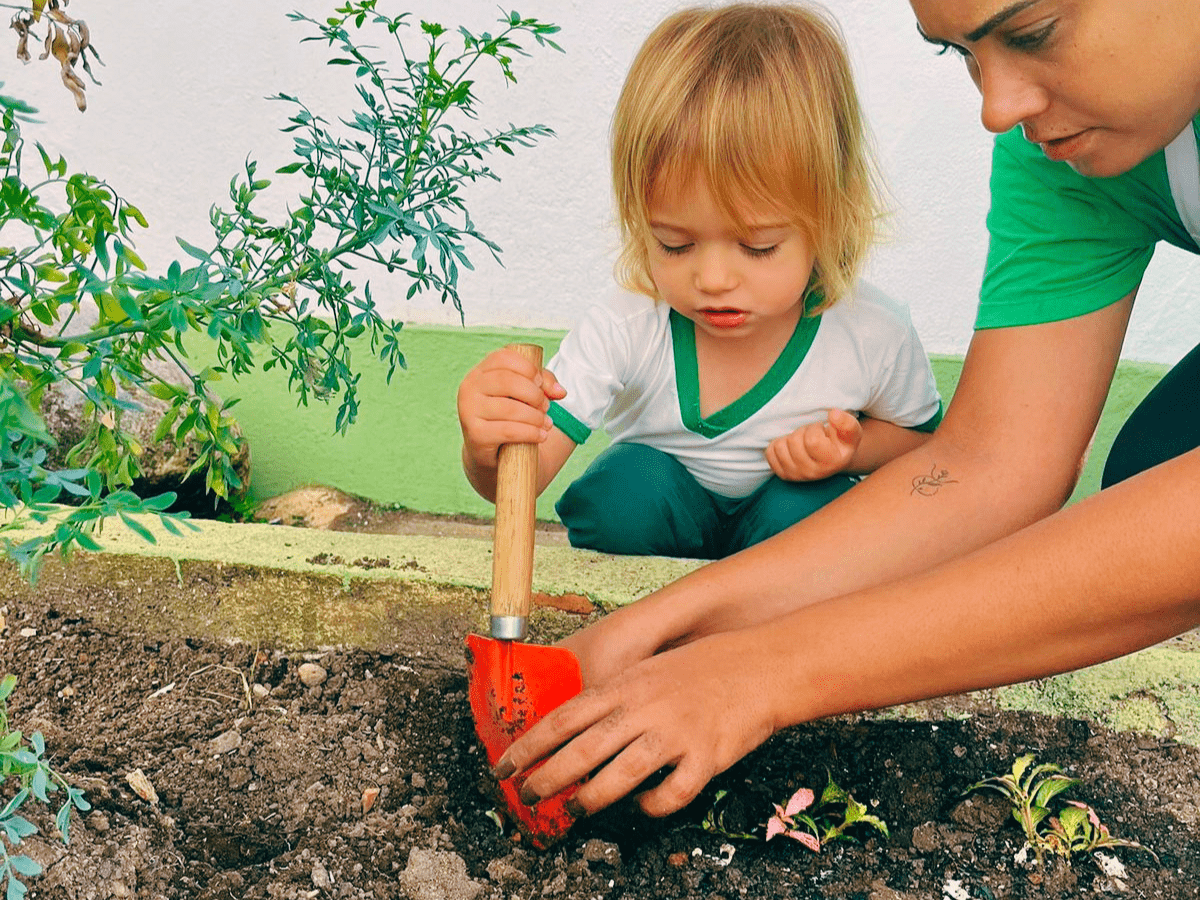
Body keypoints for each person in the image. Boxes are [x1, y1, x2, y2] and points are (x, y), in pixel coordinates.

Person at [491, 0, 1200, 821]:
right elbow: (993, 462)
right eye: (960, 55)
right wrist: (661, 628)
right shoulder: (1060, 154)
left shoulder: (867, 327)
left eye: (1033, 31)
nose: (996, 108)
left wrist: (769, 670)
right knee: (1157, 465)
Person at [456, 3, 943, 560]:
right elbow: (519, 482)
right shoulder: (629, 322)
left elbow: (929, 446)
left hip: (786, 565)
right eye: (675, 244)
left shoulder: (870, 331)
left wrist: (851, 454)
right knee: (623, 490)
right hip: (660, 538)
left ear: (830, 218)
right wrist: (486, 441)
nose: (712, 279)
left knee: (821, 511)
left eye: (758, 247)